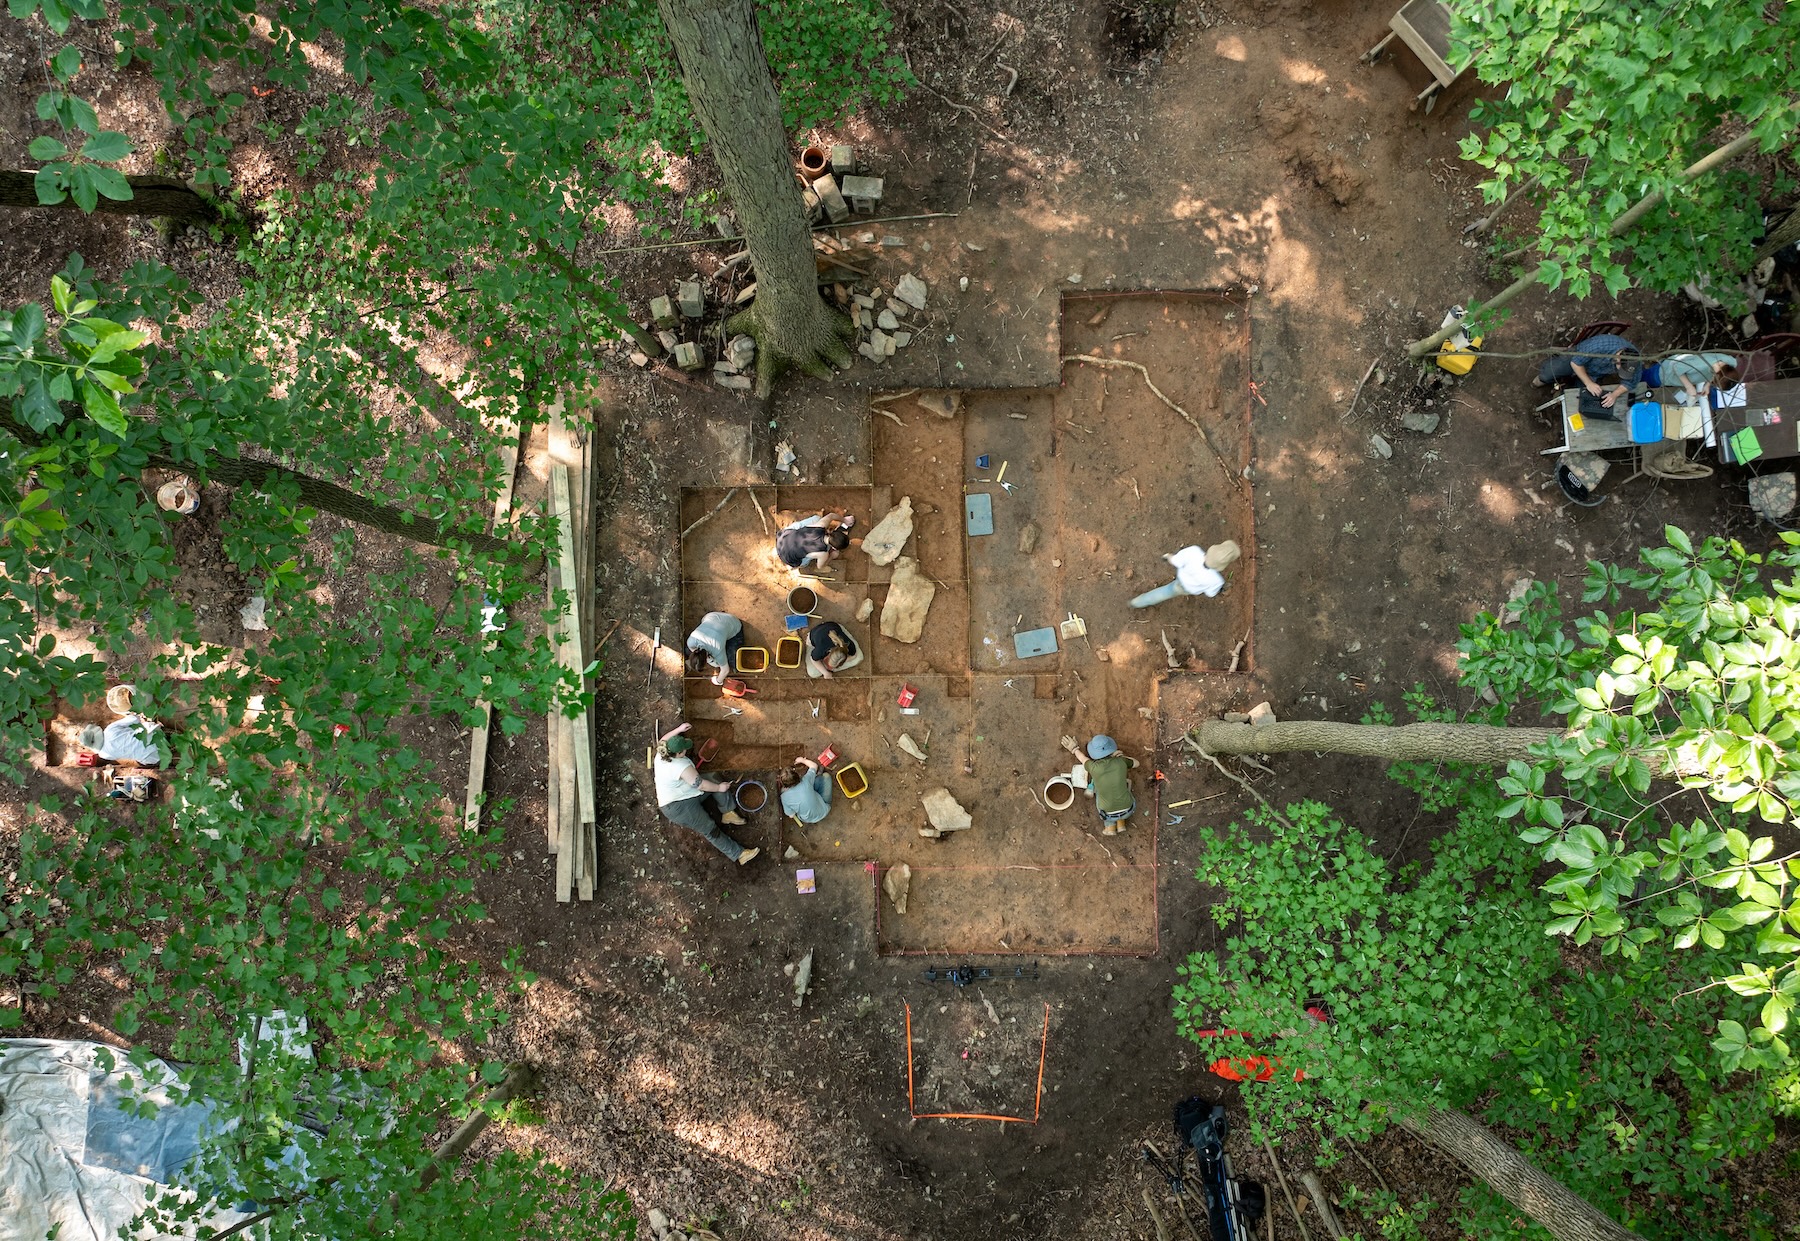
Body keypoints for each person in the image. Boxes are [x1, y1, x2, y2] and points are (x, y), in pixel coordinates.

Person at [653, 723, 759, 865]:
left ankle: (727, 812)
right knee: (709, 828)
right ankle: (739, 854)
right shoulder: (681, 767)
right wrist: (719, 788)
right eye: (684, 749)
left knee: (713, 777)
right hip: (677, 807)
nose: (686, 750)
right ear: (678, 754)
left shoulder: (662, 752)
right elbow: (700, 784)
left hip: (684, 792)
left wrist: (679, 729)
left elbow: (663, 739)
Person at [1532, 333, 1642, 410]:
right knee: (1551, 371)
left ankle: (1563, 396)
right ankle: (1541, 380)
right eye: (1620, 367)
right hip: (1577, 357)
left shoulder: (1634, 361)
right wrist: (1589, 383)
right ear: (1618, 357)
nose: (1620, 370)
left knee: (1582, 398)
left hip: (1594, 373)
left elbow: (1631, 382)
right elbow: (1576, 363)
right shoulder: (1601, 345)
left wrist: (1614, 394)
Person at [1131, 540, 1240, 610]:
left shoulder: (1194, 551)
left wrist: (1168, 556)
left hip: (1181, 578)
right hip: (1187, 589)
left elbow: (1176, 561)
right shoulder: (1217, 581)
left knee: (1164, 592)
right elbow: (1210, 593)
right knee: (1170, 592)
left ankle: (1137, 602)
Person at [1082, 734, 1139, 835]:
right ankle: (1121, 823)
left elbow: (1082, 759)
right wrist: (1121, 757)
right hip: (1128, 810)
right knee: (1122, 788)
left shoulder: (1093, 767)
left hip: (1108, 814)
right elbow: (1137, 763)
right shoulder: (1121, 761)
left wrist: (1074, 749)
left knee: (1099, 793)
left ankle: (1110, 826)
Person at [773, 508, 856, 573]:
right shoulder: (823, 553)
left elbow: (831, 515)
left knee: (816, 519)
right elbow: (820, 566)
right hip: (787, 558)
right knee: (806, 561)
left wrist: (845, 520)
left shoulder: (821, 525)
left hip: (783, 537)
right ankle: (795, 566)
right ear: (834, 547)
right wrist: (832, 556)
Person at [684, 611, 745, 686]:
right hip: (712, 616)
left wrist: (718, 681)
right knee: (687, 650)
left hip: (733, 624)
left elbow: (725, 670)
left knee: (733, 661)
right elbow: (694, 650)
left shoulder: (717, 649)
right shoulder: (690, 642)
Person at [1661, 352, 1740, 404]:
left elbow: (1719, 372)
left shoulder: (1731, 363)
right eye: (1716, 383)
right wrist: (1689, 387)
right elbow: (1677, 367)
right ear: (1718, 375)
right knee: (1654, 379)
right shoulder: (1702, 364)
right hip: (1666, 372)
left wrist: (1707, 385)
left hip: (1684, 369)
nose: (1714, 384)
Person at [777, 756, 833, 824]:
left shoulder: (784, 798)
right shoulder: (805, 780)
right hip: (824, 808)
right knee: (826, 776)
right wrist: (802, 760)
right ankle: (817, 776)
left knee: (810, 786)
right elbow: (814, 765)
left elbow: (791, 815)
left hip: (808, 819)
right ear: (798, 777)